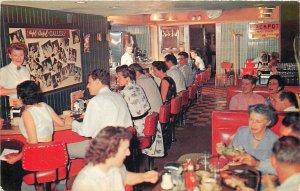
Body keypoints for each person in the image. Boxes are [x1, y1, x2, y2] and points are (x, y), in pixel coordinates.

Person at [2, 80, 65, 191]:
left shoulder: (27, 113)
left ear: (21, 98)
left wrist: (16, 158)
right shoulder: (44, 106)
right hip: (52, 155)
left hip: (38, 157)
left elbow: (33, 143)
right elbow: (61, 123)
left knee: (6, 168)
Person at [65, 69, 132, 158]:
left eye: (89, 82)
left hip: (104, 147)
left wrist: (72, 123)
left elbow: (86, 131)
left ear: (97, 82)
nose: (87, 86)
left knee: (62, 150)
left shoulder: (96, 101)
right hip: (122, 144)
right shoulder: (118, 96)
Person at [72, 126, 159, 191]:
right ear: (111, 152)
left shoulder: (115, 164)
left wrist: (144, 177)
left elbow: (126, 177)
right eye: (125, 149)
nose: (128, 153)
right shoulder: (86, 182)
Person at [116, 65, 164, 157]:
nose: (117, 80)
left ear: (127, 78)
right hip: (147, 122)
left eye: (119, 77)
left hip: (140, 128)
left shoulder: (125, 92)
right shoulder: (137, 86)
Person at [231, 104, 278, 175]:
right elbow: (231, 152)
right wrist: (222, 151)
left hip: (263, 180)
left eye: (258, 121)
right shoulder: (241, 132)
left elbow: (278, 169)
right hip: (239, 175)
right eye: (251, 120)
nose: (253, 124)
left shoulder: (275, 141)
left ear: (268, 122)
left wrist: (257, 163)